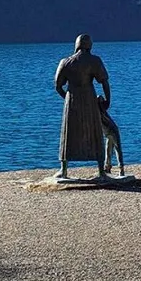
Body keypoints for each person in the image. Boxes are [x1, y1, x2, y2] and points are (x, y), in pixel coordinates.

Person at [54, 33, 111, 179]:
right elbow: (104, 82)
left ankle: (63, 170)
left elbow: (58, 86)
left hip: (72, 100)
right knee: (95, 131)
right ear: (89, 46)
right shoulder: (94, 61)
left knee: (69, 133)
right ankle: (101, 170)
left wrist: (67, 99)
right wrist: (107, 101)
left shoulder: (65, 62)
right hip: (89, 99)